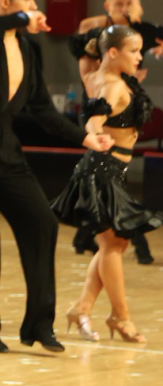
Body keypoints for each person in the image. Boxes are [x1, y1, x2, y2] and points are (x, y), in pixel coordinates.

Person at [0, 0, 111, 355]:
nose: (36, 7)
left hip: (6, 143)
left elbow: (42, 110)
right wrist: (23, 19)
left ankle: (39, 323)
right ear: (6, 4)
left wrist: (85, 138)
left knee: (41, 222)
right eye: (29, 0)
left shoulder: (27, 49)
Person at [52, 25, 159, 344]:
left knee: (115, 244)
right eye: (134, 51)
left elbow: (88, 44)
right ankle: (120, 316)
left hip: (107, 170)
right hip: (102, 171)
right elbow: (95, 119)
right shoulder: (111, 86)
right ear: (113, 52)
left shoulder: (92, 73)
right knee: (113, 245)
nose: (139, 57)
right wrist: (95, 134)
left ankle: (82, 308)